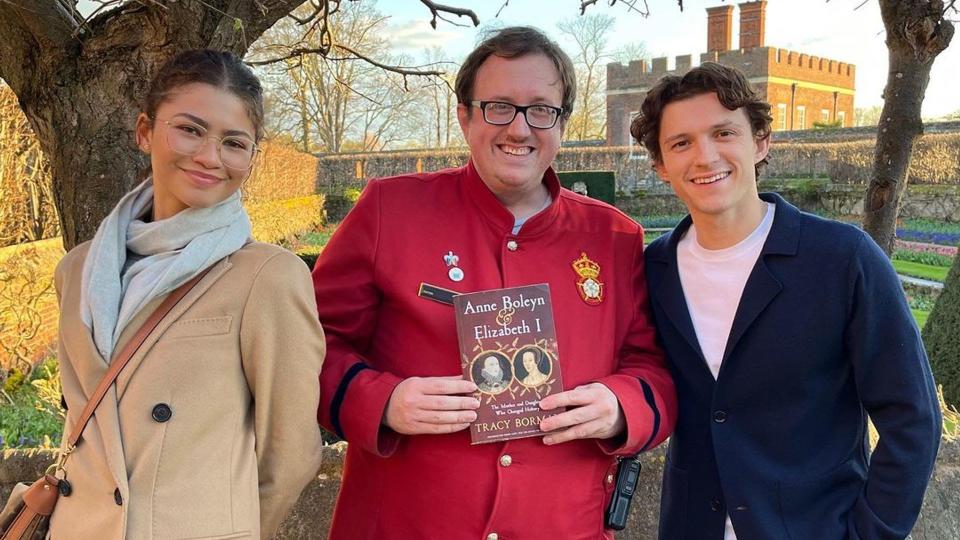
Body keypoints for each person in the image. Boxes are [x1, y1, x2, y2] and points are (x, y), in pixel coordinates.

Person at [313, 26, 676, 540]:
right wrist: (383, 401)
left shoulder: (614, 236)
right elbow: (310, 346)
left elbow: (653, 366)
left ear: (562, 123)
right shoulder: (389, 211)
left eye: (541, 109)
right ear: (464, 116)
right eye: (498, 106)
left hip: (560, 524)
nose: (520, 128)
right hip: (406, 522)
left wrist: (620, 406)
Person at [633, 62, 941, 540]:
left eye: (723, 133)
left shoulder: (843, 259)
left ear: (760, 142)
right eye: (681, 143)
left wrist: (869, 533)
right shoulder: (654, 270)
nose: (705, 156)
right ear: (660, 165)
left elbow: (912, 417)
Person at [48, 50, 325, 540]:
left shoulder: (267, 277)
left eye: (234, 143)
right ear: (144, 131)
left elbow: (291, 453)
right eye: (190, 129)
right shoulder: (77, 270)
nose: (210, 157)